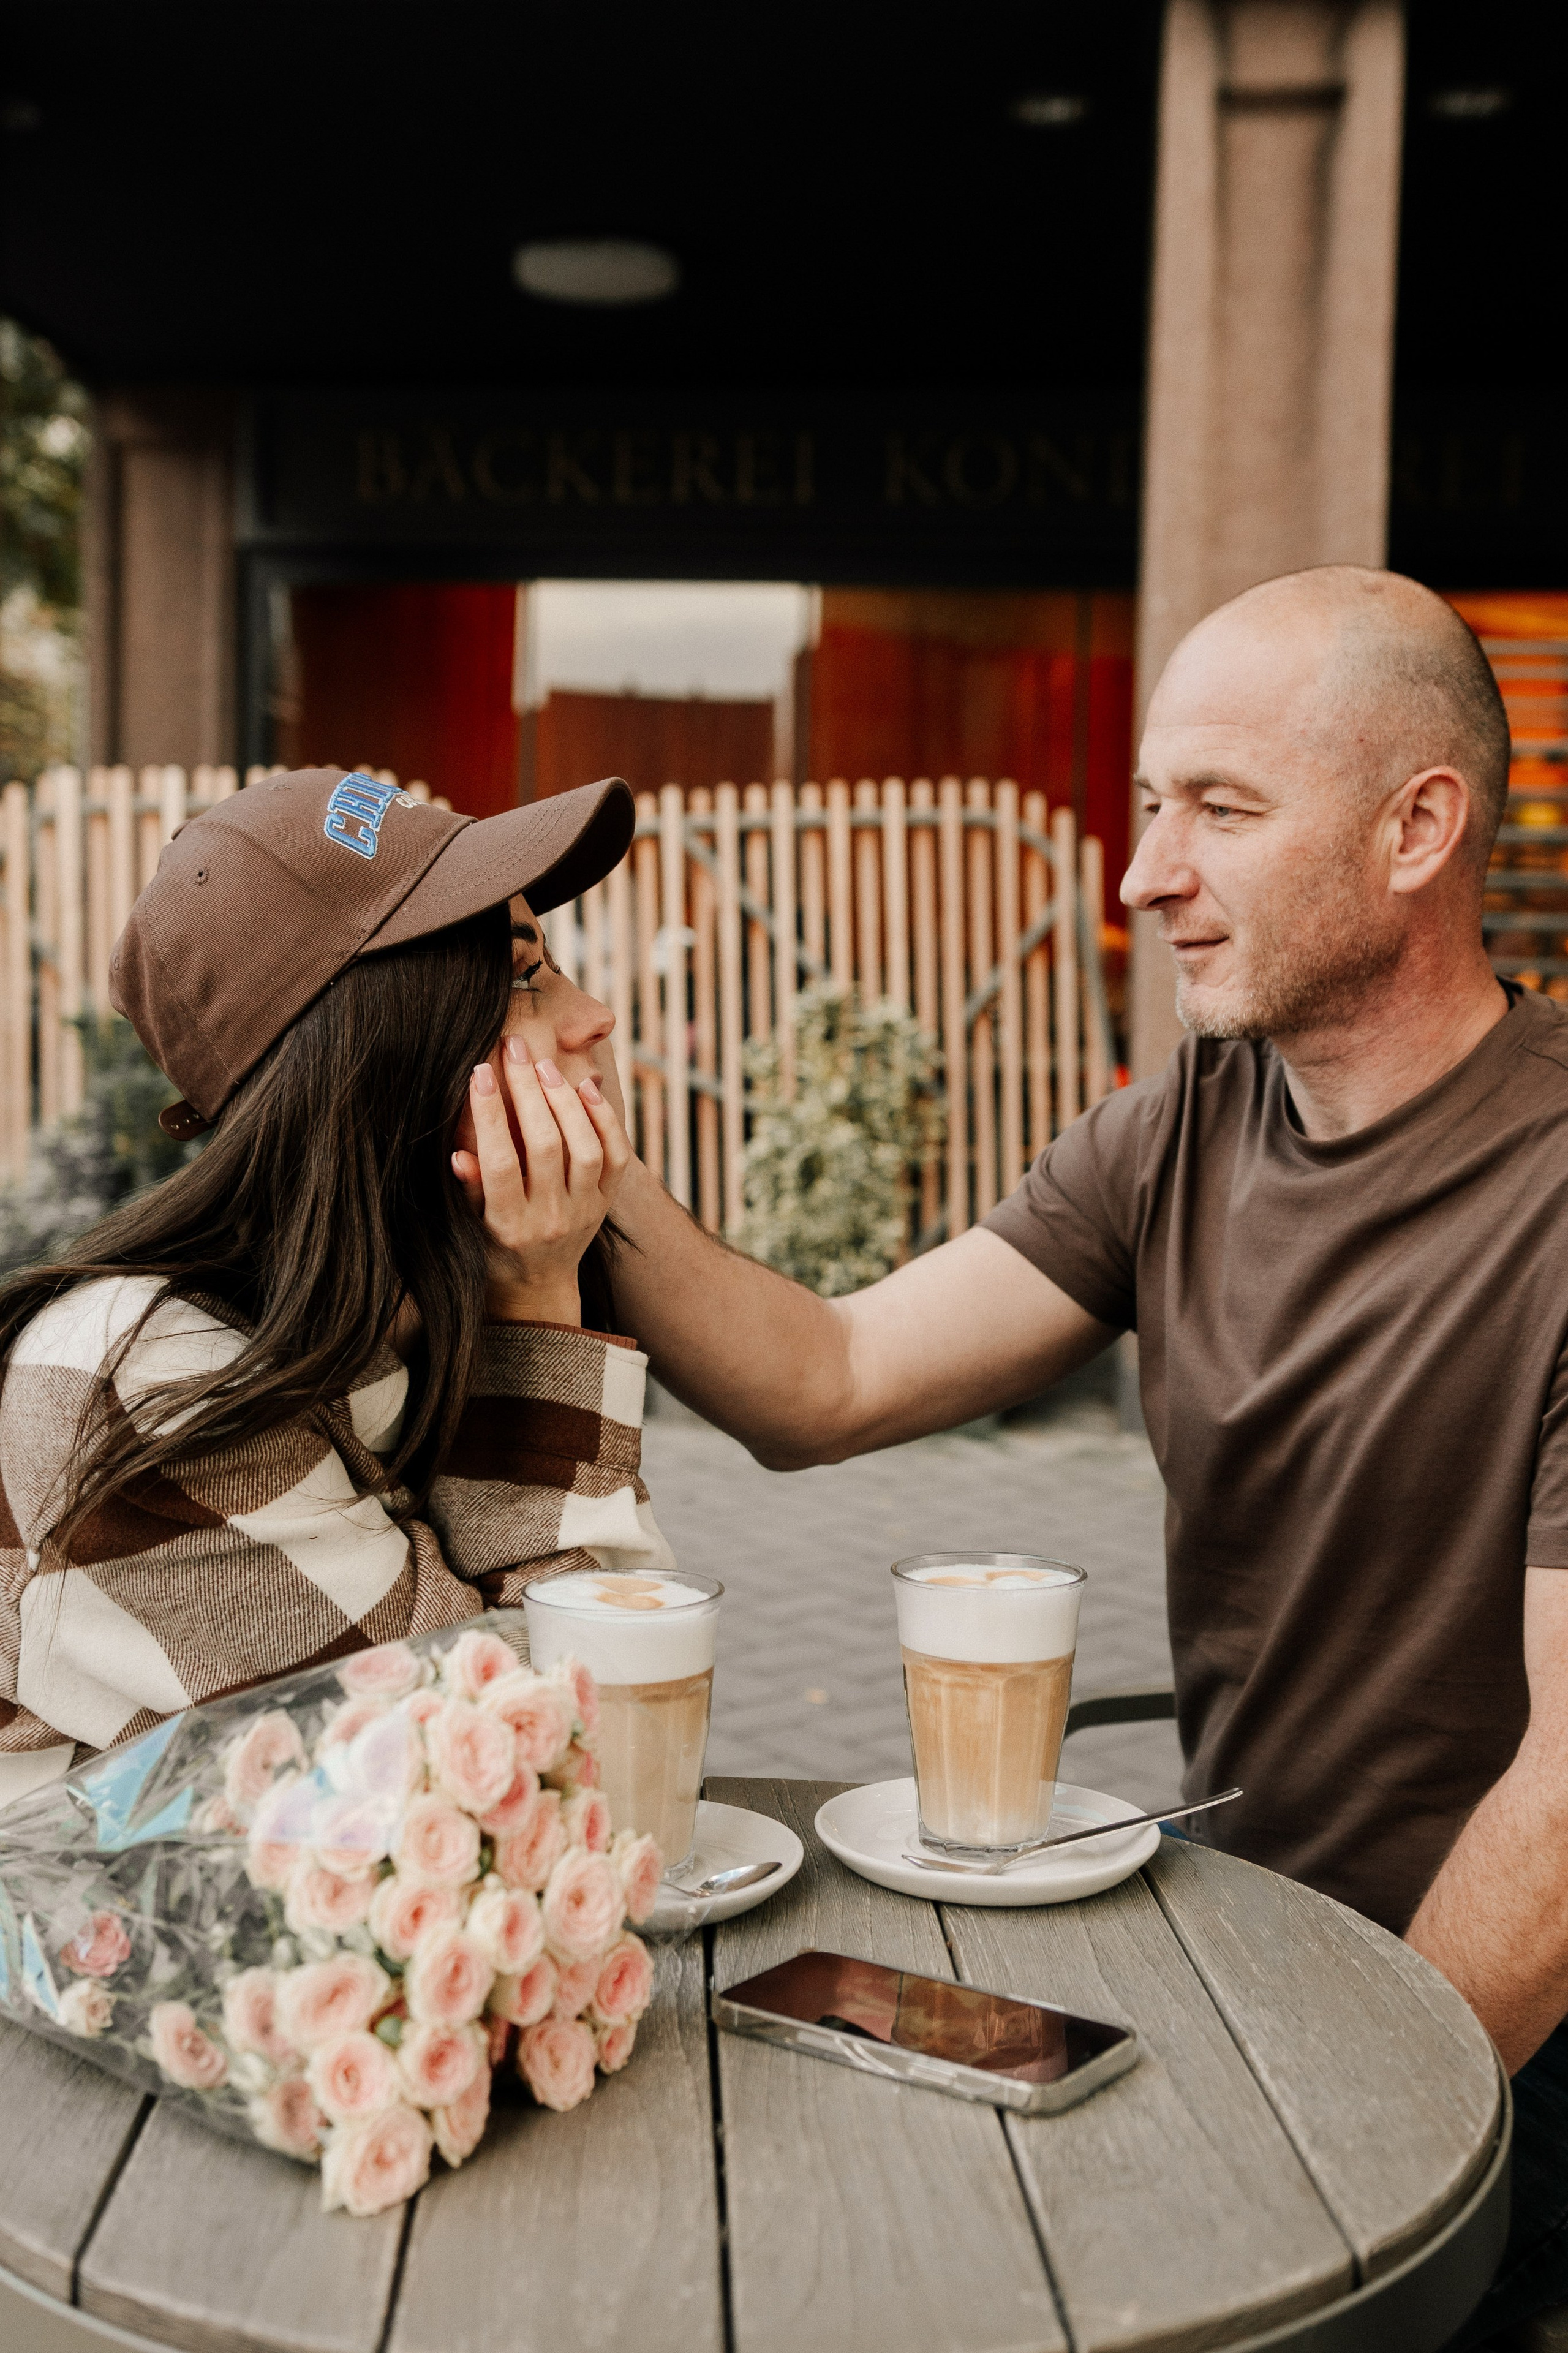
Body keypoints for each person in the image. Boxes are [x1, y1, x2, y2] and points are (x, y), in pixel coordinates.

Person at [597, 567, 1568, 2345]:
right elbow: (825, 1379)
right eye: (1146, 804)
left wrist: (1339, 2124)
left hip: (1496, 2042)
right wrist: (588, 1170)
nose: (1142, 873)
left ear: (1416, 829)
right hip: (1239, 1945)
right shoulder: (1176, 1131)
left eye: (1220, 810)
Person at [0, 766, 658, 1812]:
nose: (598, 1016)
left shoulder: (408, 1319)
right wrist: (541, 1314)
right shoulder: (150, 1379)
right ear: (378, 1043)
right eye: (526, 976)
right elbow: (549, 1776)